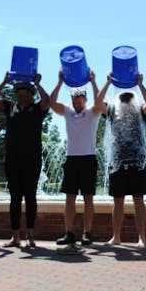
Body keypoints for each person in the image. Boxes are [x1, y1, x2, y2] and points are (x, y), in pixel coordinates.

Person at [0, 72, 50, 249]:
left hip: (32, 160)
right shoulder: (10, 108)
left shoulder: (37, 109)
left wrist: (38, 84)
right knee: (15, 198)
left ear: (32, 96)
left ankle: (30, 236)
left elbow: (47, 102)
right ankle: (15, 237)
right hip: (13, 160)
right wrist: (4, 81)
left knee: (30, 198)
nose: (22, 98)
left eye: (26, 95)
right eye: (20, 95)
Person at [50, 69, 105, 254]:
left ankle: (87, 234)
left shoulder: (92, 112)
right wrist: (59, 82)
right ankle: (69, 233)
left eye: (80, 100)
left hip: (88, 158)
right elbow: (51, 103)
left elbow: (100, 103)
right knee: (70, 198)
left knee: (88, 197)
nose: (77, 103)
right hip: (72, 159)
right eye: (75, 100)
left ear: (85, 100)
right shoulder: (67, 111)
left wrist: (93, 82)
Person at [102, 73, 146, 247]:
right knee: (118, 201)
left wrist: (140, 84)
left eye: (129, 100)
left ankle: (142, 238)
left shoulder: (141, 111)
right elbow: (97, 103)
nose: (126, 104)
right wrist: (108, 83)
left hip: (138, 163)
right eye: (123, 101)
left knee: (139, 200)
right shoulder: (111, 111)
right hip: (117, 162)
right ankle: (116, 236)